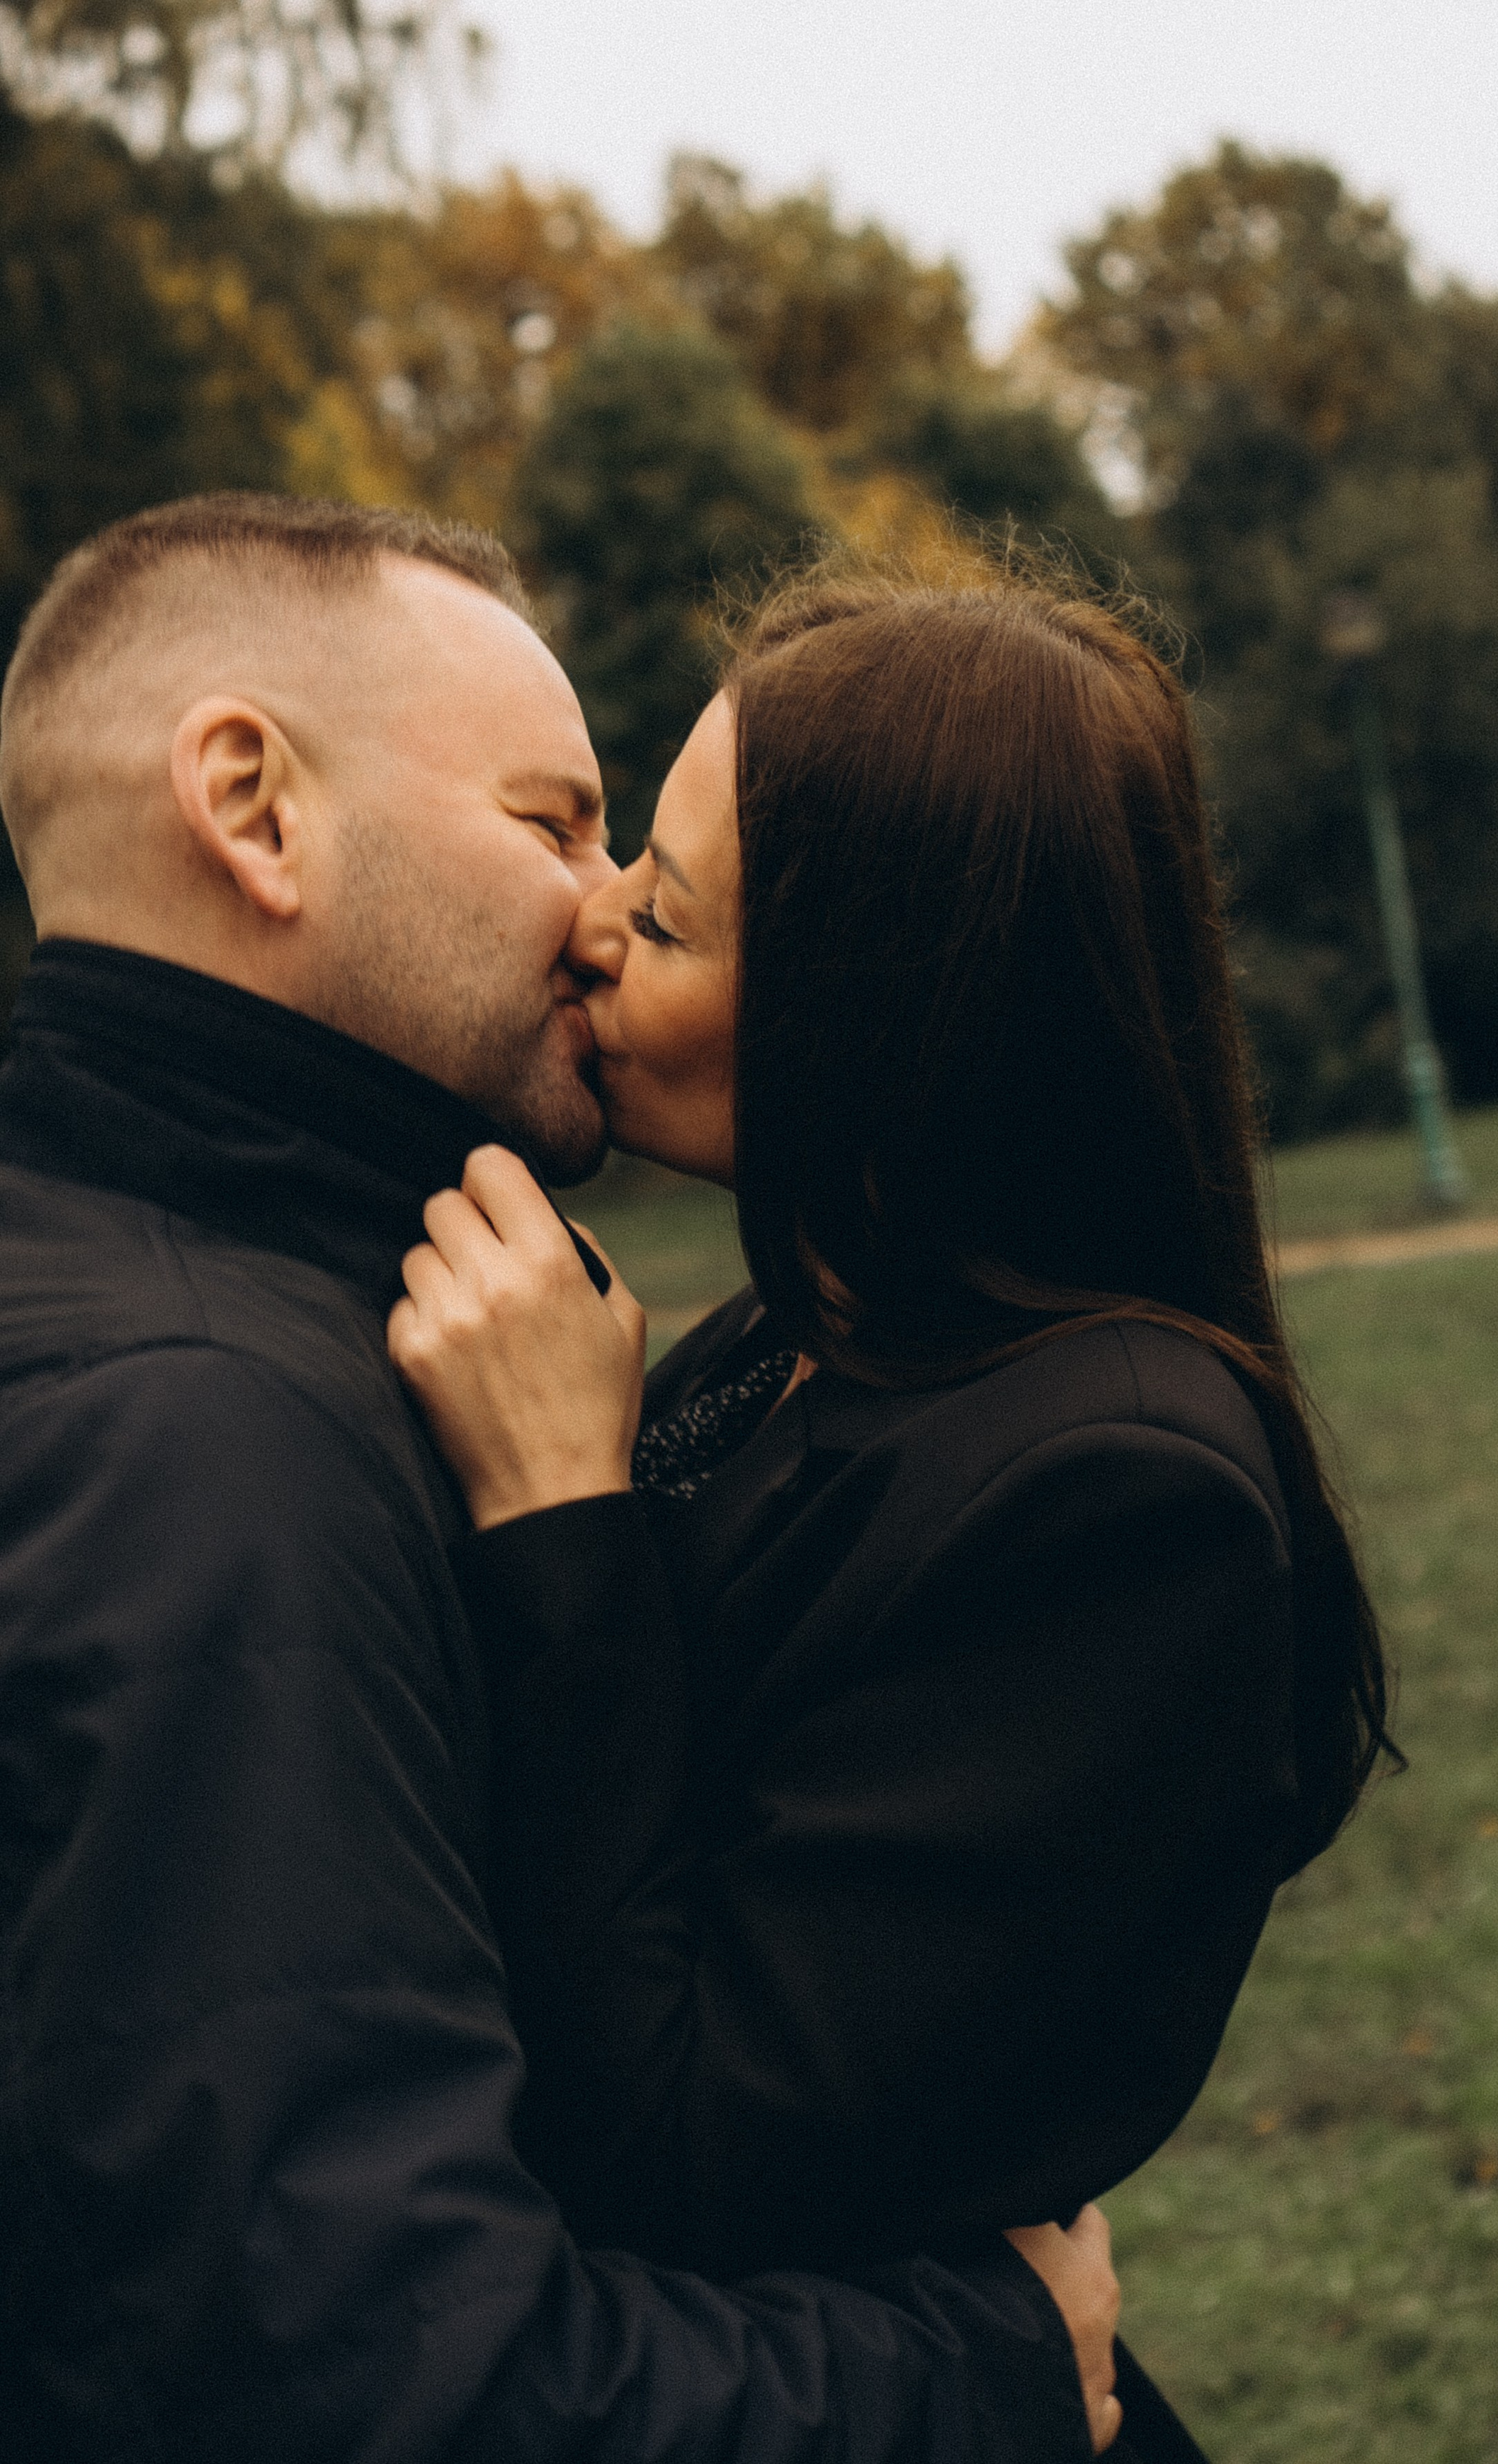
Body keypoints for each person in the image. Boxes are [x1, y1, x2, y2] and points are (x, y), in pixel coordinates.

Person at [0, 496, 1121, 2464]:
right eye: (554, 823)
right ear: (253, 808)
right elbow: (376, 2384)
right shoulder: (205, 1446)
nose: (606, 911)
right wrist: (980, 2373)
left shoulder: (171, 1303)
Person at [388, 578, 1395, 2309]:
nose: (590, 923)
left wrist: (556, 1511)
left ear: (878, 1006)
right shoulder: (790, 1340)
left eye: (667, 916)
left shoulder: (1120, 1497)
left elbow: (692, 2145)